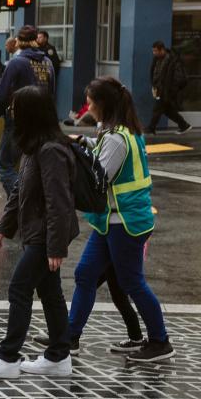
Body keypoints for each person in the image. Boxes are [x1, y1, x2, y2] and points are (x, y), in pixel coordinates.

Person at [63, 76, 174, 362]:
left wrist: (74, 155)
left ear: (102, 105)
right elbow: (101, 153)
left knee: (132, 283)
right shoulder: (122, 132)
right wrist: (81, 142)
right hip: (112, 221)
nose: (86, 106)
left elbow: (99, 178)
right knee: (86, 274)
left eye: (90, 101)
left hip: (124, 222)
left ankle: (160, 341)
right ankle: (69, 336)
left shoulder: (116, 138)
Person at [0, 85, 78, 378]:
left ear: (30, 112)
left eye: (15, 107)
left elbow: (59, 201)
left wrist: (56, 246)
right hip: (37, 232)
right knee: (50, 292)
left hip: (45, 235)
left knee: (20, 288)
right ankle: (58, 356)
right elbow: (20, 189)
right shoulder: (35, 146)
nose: (11, 112)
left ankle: (8, 357)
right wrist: (4, 226)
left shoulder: (52, 150)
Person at [0, 25, 54, 198]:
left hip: (18, 120)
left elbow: (1, 94)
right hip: (42, 122)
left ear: (18, 42)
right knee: (31, 164)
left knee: (5, 166)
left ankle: (22, 201)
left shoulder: (16, 63)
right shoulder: (48, 62)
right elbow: (51, 94)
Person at [147, 41, 192, 134]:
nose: (154, 53)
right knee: (167, 111)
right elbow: (154, 73)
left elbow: (179, 78)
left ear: (162, 50)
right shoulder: (156, 59)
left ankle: (151, 128)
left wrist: (171, 90)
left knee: (157, 108)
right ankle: (184, 125)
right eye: (153, 51)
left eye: (155, 51)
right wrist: (154, 85)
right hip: (159, 89)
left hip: (167, 90)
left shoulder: (173, 60)